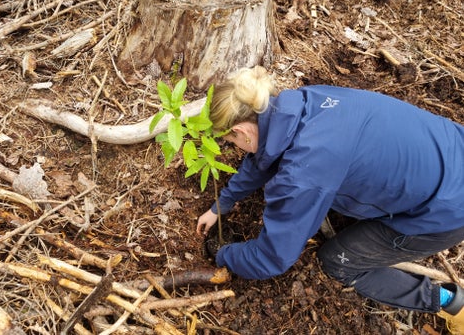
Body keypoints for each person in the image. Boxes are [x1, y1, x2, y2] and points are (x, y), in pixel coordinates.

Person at [196, 66, 464, 333]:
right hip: (453, 149)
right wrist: (222, 204)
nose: (234, 147)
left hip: (445, 213)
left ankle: (445, 300)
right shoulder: (304, 102)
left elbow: (272, 258)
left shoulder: (304, 173)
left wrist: (224, 255)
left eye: (231, 141)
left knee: (337, 261)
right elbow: (265, 155)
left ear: (242, 131)